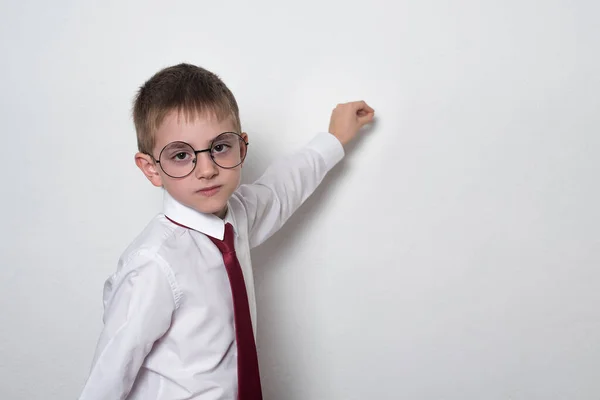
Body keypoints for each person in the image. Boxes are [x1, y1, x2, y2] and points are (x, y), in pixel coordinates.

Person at [78, 62, 375, 400]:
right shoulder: (153, 264)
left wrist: (334, 138)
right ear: (151, 168)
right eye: (180, 155)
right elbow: (110, 375)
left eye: (219, 147)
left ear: (242, 147)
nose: (206, 170)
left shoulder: (238, 217)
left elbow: (283, 186)